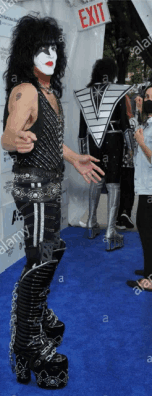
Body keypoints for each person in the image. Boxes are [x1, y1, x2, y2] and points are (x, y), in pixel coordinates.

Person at [1, 15, 105, 389]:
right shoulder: (25, 91)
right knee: (45, 259)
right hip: (33, 190)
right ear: (28, 53)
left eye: (54, 48)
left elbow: (47, 139)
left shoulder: (50, 95)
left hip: (50, 188)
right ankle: (29, 342)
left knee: (45, 255)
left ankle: (30, 326)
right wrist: (17, 141)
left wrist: (74, 158)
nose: (49, 55)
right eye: (41, 48)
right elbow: (9, 134)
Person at [75, 58, 134, 251]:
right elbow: (124, 123)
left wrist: (83, 155)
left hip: (94, 142)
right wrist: (131, 147)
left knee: (96, 180)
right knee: (113, 183)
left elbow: (82, 130)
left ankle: (92, 225)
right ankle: (110, 231)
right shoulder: (115, 92)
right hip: (115, 141)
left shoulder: (86, 94)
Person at [126, 85, 152, 292]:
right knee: (145, 230)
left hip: (150, 190)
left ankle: (149, 279)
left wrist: (142, 143)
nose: (148, 100)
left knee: (146, 231)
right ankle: (148, 270)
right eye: (147, 96)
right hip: (145, 188)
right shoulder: (149, 122)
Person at [115, 94, 136, 230]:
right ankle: (125, 212)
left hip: (115, 161)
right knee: (129, 188)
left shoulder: (114, 121)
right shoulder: (132, 121)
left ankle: (117, 218)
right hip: (129, 161)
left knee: (117, 189)